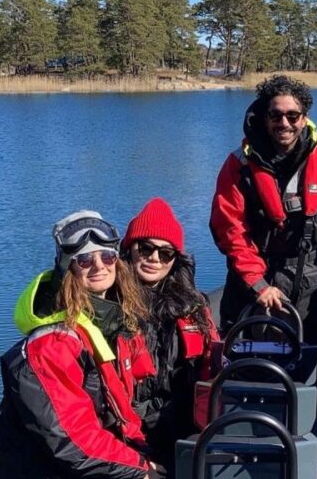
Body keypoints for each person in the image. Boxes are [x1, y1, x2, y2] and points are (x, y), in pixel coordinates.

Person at [210, 74, 317, 347]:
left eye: (292, 116)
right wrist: (257, 282)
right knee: (248, 357)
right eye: (276, 115)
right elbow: (230, 230)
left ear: (304, 119)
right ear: (265, 117)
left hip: (311, 279)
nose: (284, 123)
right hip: (253, 281)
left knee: (307, 355)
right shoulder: (238, 165)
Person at [0, 210, 157, 478]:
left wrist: (141, 455)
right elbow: (72, 441)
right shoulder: (51, 345)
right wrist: (138, 469)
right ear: (67, 268)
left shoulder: (113, 322)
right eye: (84, 260)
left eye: (107, 256)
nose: (99, 266)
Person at [121, 197, 219, 473]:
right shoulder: (110, 304)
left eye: (165, 253)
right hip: (126, 428)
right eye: (146, 248)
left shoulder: (193, 305)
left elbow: (210, 365)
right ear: (129, 249)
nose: (154, 258)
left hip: (180, 423)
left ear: (176, 260)